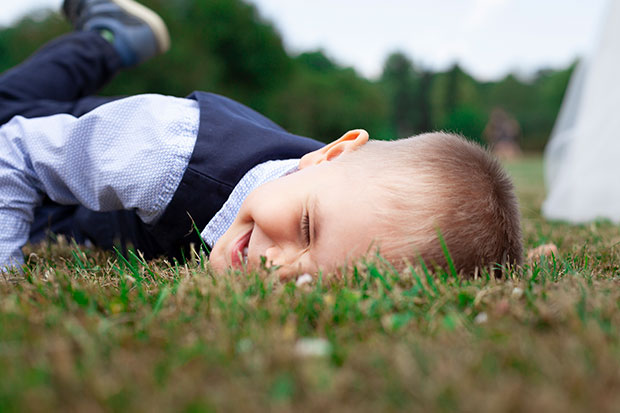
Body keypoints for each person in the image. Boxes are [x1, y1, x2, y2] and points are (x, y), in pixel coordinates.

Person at [0, 0, 523, 278]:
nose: (279, 263)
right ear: (328, 155)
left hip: (82, 210)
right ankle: (107, 40)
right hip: (54, 147)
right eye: (305, 227)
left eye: (310, 283)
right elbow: (16, 151)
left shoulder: (344, 191)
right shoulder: (167, 153)